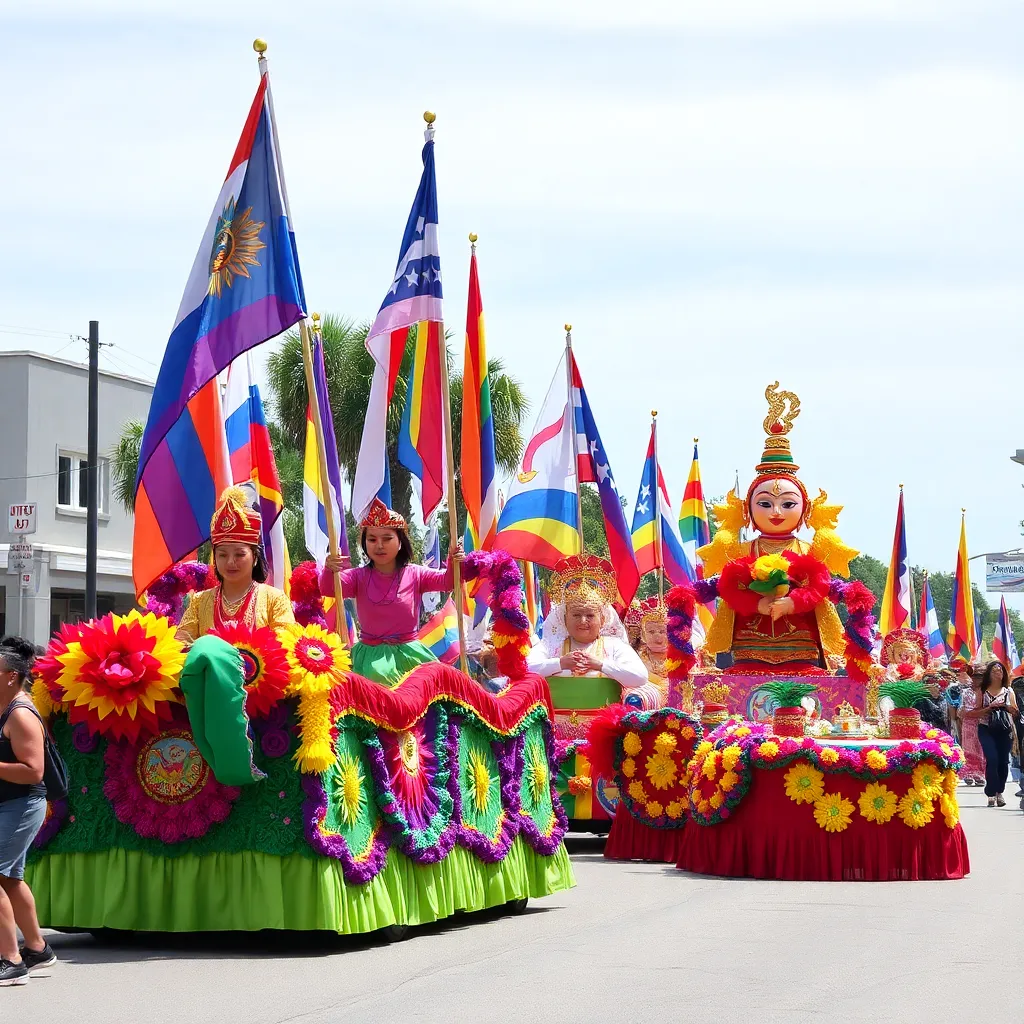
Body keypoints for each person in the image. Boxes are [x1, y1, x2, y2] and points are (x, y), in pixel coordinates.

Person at [322, 498, 462, 687]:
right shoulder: (357, 576)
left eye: (387, 538)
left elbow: (447, 582)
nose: (379, 545)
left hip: (411, 655)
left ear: (400, 542)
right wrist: (329, 568)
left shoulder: (416, 573)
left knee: (443, 689)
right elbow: (329, 588)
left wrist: (455, 561)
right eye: (372, 539)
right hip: (370, 659)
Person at [0, 637, 56, 987]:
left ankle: (10, 959)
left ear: (10, 676)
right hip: (10, 804)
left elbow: (34, 770)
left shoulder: (20, 714)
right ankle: (36, 949)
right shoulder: (5, 706)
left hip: (23, 804)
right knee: (9, 878)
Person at [176, 486, 295, 643]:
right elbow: (181, 647)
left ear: (255, 558)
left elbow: (285, 648)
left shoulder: (274, 599)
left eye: (239, 554)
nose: (230, 562)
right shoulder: (199, 602)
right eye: (223, 555)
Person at [526, 554, 651, 696]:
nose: (583, 621)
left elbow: (640, 677)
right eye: (576, 615)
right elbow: (525, 669)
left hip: (605, 718)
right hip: (554, 718)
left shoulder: (614, 646)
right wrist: (560, 663)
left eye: (590, 616)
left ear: (602, 620)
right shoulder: (552, 645)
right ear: (565, 619)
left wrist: (600, 665)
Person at [962, 660, 1019, 807]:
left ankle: (1000, 792)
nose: (998, 672)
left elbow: (1016, 712)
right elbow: (973, 712)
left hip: (1005, 729)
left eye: (1000, 670)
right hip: (986, 728)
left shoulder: (1009, 691)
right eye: (994, 670)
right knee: (992, 759)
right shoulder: (983, 691)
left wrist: (1008, 708)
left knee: (1003, 761)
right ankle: (990, 793)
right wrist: (989, 708)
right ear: (989, 673)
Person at [624, 596, 670, 702]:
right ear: (643, 634)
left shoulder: (679, 658)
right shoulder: (635, 658)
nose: (657, 637)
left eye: (662, 632)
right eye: (651, 632)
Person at [952, 659, 985, 786]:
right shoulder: (966, 692)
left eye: (980, 677)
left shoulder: (987, 692)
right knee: (969, 750)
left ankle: (981, 774)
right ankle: (969, 773)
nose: (977, 680)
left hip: (983, 724)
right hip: (969, 725)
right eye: (975, 677)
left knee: (982, 749)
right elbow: (961, 712)